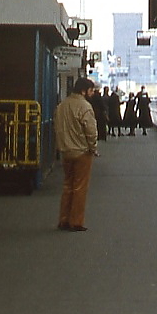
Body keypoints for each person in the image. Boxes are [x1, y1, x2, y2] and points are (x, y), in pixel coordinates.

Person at [54, 77, 98, 231]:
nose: (92, 94)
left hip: (66, 151)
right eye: (91, 91)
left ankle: (63, 220)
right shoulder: (85, 106)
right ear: (84, 91)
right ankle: (76, 222)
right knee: (80, 187)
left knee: (68, 185)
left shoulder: (62, 105)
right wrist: (93, 147)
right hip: (81, 152)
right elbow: (91, 131)